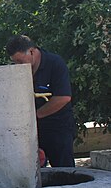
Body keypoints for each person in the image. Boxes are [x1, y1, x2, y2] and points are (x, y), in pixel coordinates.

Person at [5, 35, 76, 167]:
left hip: (58, 128)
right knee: (32, 173)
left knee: (64, 173)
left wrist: (35, 115)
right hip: (32, 131)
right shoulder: (19, 69)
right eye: (15, 62)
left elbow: (63, 98)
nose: (18, 66)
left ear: (32, 51)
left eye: (20, 61)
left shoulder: (55, 64)